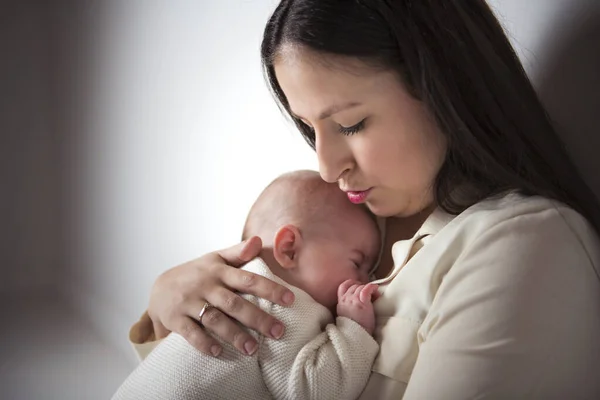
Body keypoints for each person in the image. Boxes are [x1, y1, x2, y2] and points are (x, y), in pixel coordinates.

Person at [128, 1, 600, 398]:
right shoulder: (343, 220)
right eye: (310, 128)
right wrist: (170, 309)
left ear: (441, 86)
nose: (328, 168)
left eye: (350, 124)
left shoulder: (523, 244)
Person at [115, 170, 382, 400]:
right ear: (289, 249)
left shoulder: (222, 291)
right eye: (357, 263)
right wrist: (354, 329)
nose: (366, 280)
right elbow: (314, 391)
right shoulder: (282, 302)